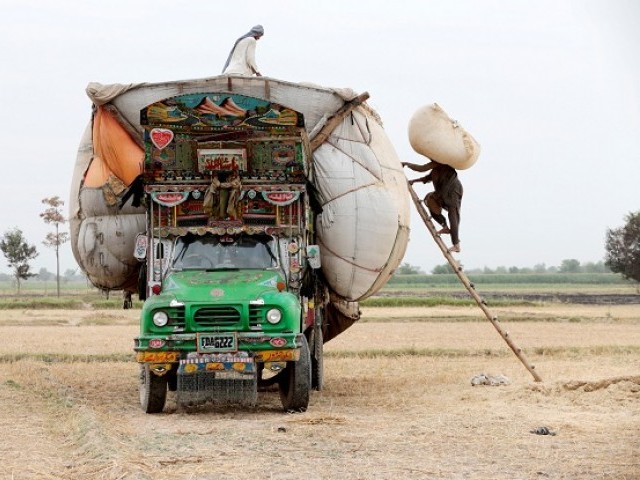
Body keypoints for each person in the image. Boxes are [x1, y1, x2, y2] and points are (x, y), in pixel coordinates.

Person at [403, 159, 463, 253]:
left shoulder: (442, 162)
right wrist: (414, 181)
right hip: (442, 193)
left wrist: (407, 164)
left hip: (453, 191)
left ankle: (456, 245)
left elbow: (421, 168)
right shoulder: (435, 168)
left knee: (453, 215)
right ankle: (444, 226)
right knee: (429, 199)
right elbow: (427, 178)